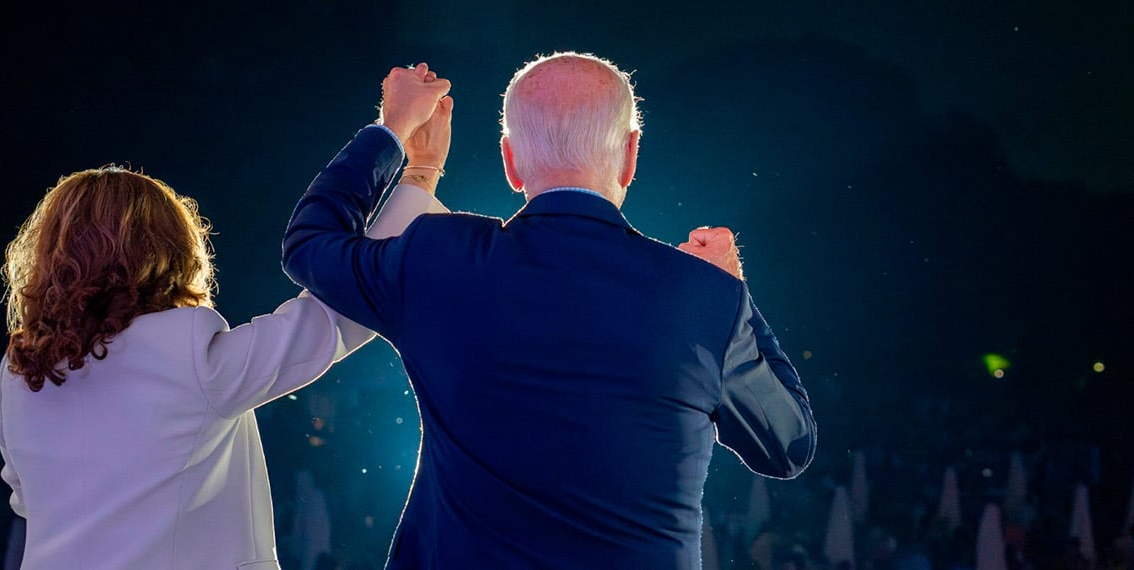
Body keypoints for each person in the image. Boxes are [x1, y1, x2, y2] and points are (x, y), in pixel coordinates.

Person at [282, 52, 817, 568]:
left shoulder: (440, 257)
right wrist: (733, 290)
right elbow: (788, 446)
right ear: (631, 154)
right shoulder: (702, 297)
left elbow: (310, 243)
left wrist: (395, 137)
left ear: (510, 161)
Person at [0, 65, 455, 569]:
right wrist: (411, 161)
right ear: (165, 249)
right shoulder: (182, 350)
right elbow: (334, 315)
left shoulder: (21, 370)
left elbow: (25, 497)